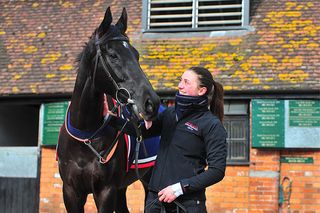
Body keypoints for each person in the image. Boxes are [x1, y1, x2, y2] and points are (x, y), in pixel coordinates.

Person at [109, 67, 227, 213]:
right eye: (180, 80)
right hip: (155, 201)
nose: (180, 85)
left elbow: (217, 171)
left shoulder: (211, 125)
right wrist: (109, 120)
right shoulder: (170, 114)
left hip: (187, 204)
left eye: (186, 82)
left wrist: (180, 188)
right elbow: (139, 131)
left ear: (201, 90)